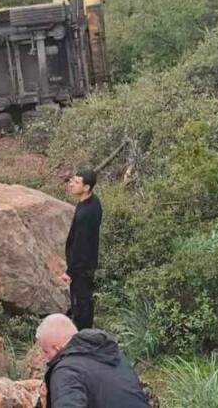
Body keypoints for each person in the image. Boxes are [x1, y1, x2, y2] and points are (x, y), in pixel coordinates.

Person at [36, 314, 149, 408]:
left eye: (46, 352)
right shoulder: (112, 354)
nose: (46, 359)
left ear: (57, 348)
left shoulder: (66, 370)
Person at [63, 167, 102, 331]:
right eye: (73, 180)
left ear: (86, 187)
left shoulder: (86, 213)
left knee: (82, 300)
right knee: (82, 299)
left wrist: (70, 272)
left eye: (77, 182)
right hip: (85, 263)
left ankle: (83, 333)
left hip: (82, 265)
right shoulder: (91, 201)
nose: (72, 184)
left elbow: (81, 245)